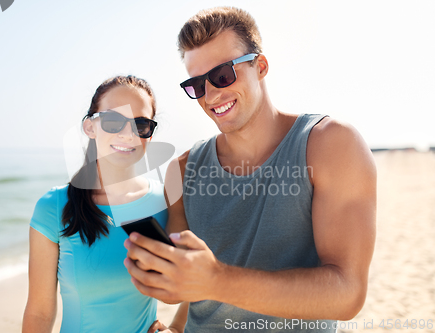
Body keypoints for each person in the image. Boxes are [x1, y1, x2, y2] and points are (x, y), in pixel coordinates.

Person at [124, 7, 377, 333]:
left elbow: (347, 294)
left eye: (223, 75)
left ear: (260, 67)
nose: (212, 94)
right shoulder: (182, 170)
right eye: (197, 85)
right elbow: (192, 282)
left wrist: (216, 280)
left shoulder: (331, 145)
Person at [22, 75, 168, 333]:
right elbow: (40, 312)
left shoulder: (164, 203)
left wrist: (177, 327)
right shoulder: (54, 206)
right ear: (90, 127)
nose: (128, 134)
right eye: (113, 121)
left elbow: (198, 283)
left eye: (141, 124)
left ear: (150, 133)